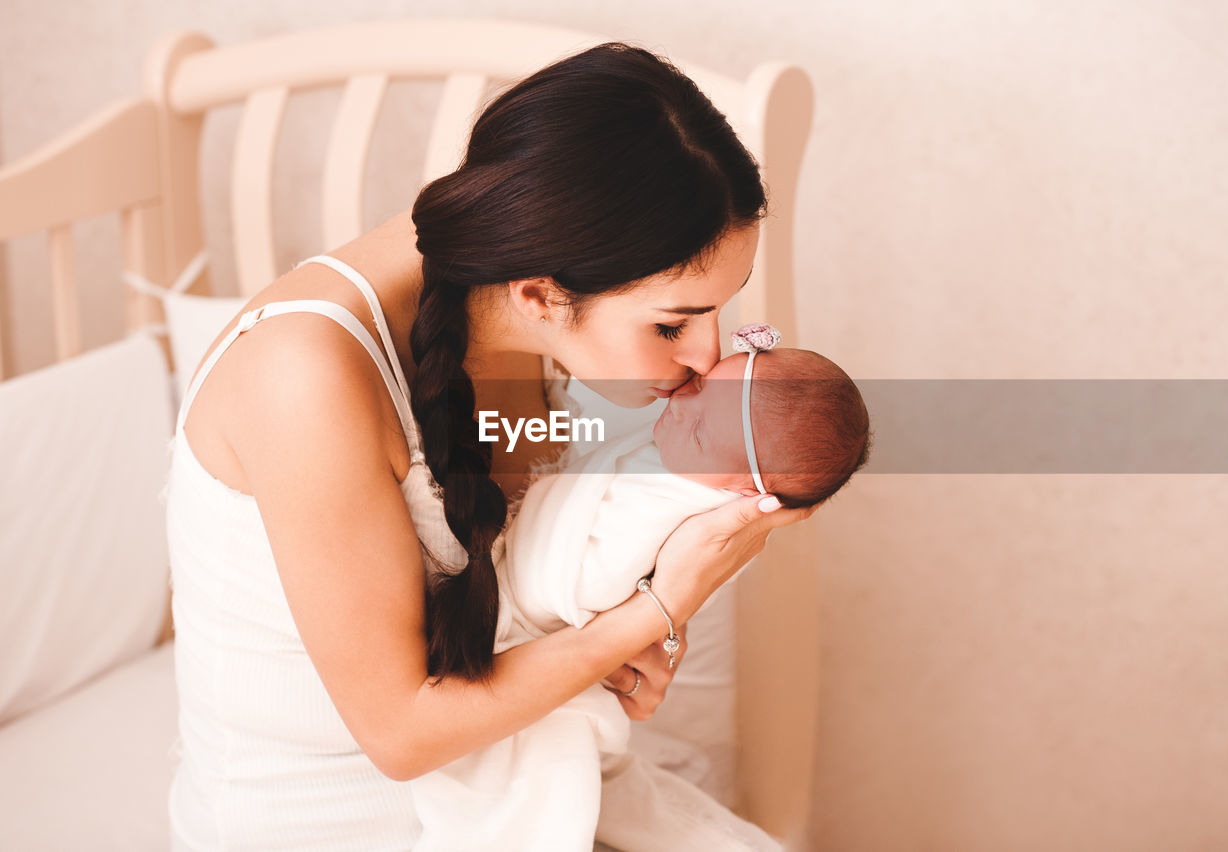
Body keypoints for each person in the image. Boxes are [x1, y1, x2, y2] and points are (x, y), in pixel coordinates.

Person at [165, 41, 815, 849]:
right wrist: (655, 607)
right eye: (673, 323)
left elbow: (507, 589)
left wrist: (609, 648)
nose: (707, 357)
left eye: (718, 312)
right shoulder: (302, 377)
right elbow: (401, 735)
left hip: (509, 781)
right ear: (540, 295)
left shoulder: (509, 290)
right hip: (342, 821)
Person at [408, 325, 871, 851]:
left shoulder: (690, 506)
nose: (676, 409)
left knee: (538, 803)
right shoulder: (647, 409)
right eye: (696, 391)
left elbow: (602, 578)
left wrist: (644, 613)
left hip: (534, 631)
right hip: (520, 662)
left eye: (697, 433)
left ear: (745, 491)